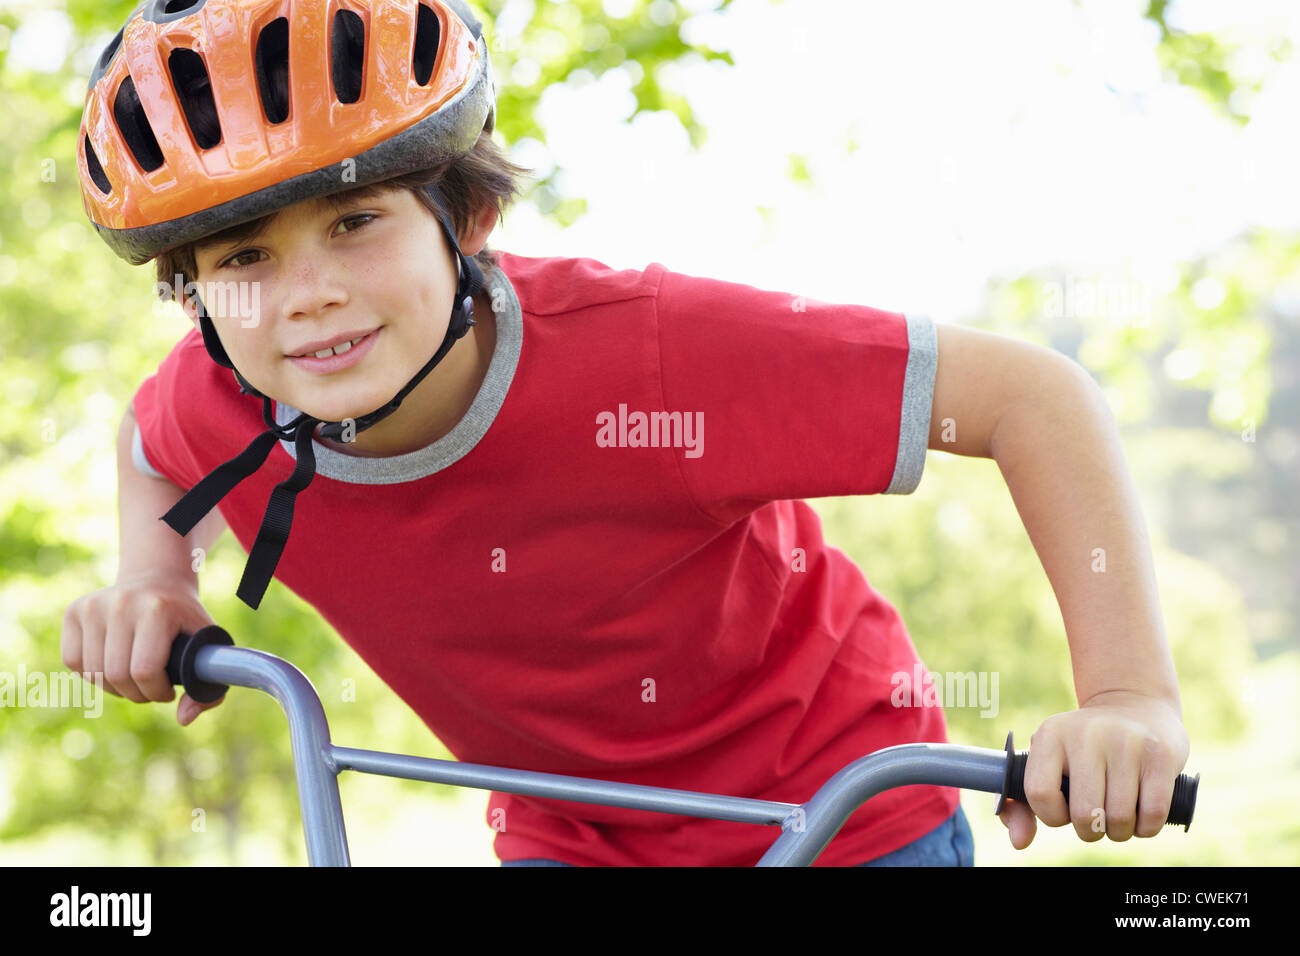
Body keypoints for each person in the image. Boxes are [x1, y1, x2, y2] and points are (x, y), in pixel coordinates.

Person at [62, 0, 1189, 867]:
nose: (303, 295)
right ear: (194, 295)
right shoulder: (219, 401)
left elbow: (1033, 398)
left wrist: (1126, 698)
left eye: (355, 221)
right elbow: (151, 441)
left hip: (838, 809)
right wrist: (155, 576)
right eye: (242, 258)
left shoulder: (649, 353)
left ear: (471, 219)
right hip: (572, 836)